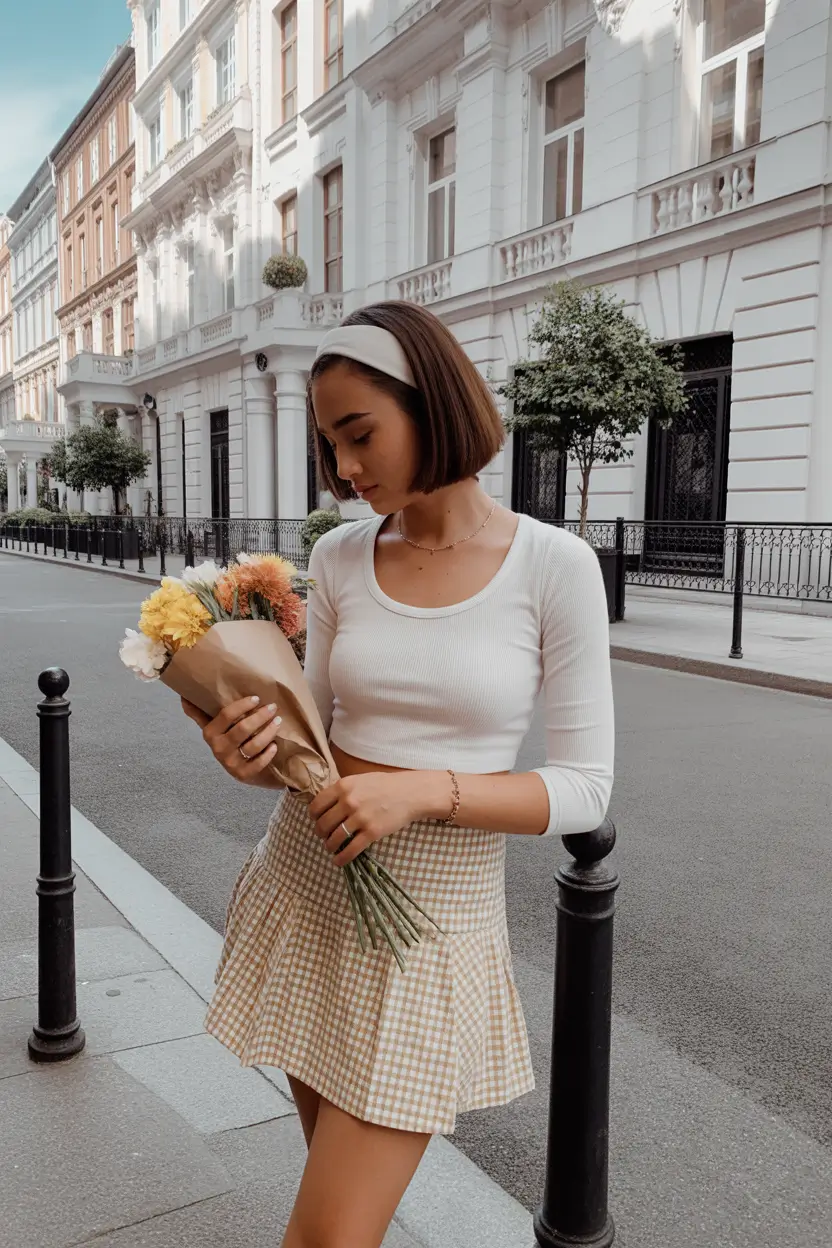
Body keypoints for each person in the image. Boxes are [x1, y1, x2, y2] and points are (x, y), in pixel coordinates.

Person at [182, 300, 615, 1248]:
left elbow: (585, 787)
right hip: (307, 882)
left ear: (432, 404)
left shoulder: (554, 566)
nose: (342, 469)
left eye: (359, 434)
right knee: (343, 1224)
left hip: (433, 923)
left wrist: (422, 789)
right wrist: (246, 753)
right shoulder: (339, 556)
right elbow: (319, 748)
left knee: (327, 1236)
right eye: (329, 443)